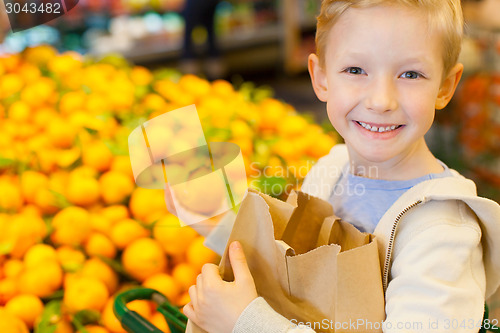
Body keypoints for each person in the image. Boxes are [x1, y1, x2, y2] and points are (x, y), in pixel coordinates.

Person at [178, 1, 500, 332]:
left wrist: (245, 321)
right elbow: (293, 263)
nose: (380, 101)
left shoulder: (443, 232)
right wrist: (213, 221)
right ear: (321, 78)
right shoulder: (331, 170)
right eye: (356, 70)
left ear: (445, 86)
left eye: (410, 74)